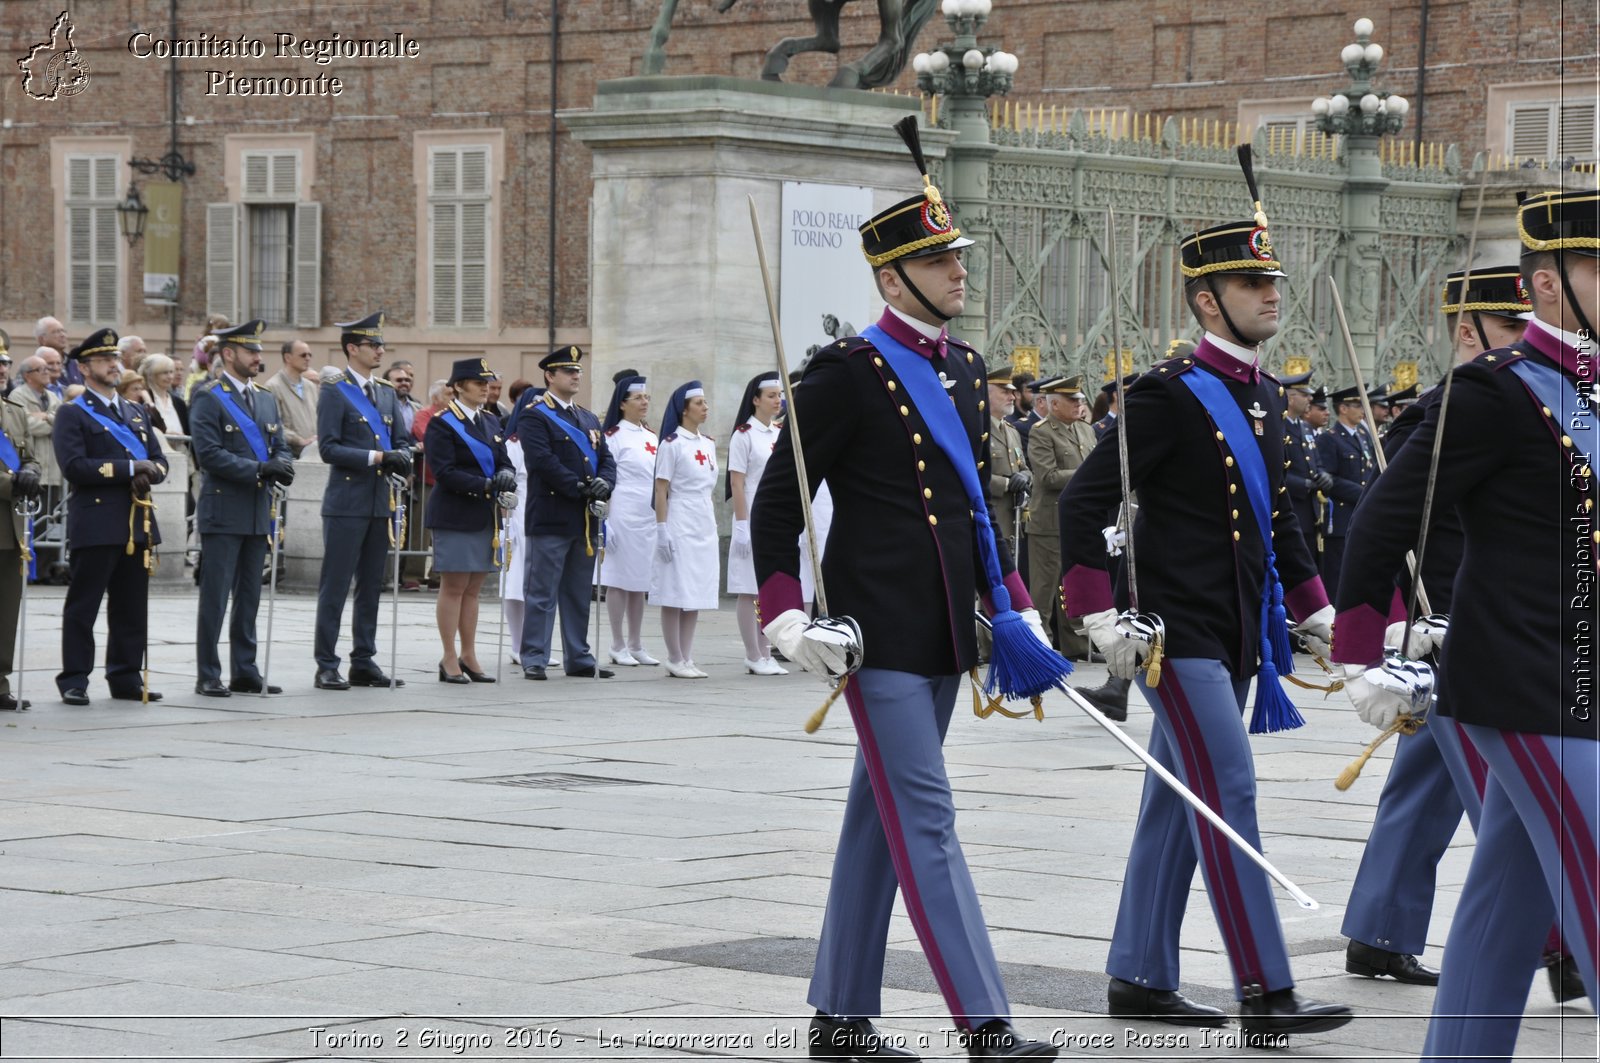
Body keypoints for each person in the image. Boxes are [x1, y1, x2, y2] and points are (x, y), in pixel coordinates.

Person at [751, 119, 1060, 1061]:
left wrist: (1013, 601)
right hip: (875, 633)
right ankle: (986, 1021)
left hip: (947, 634)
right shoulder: (847, 374)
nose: (959, 271)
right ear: (892, 278)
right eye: (939, 259)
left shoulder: (966, 369)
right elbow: (777, 500)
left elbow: (972, 504)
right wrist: (783, 614)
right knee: (926, 817)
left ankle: (840, 1016)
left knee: (877, 821)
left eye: (957, 254)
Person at [1058, 198, 1351, 1038]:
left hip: (1234, 636)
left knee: (1174, 801)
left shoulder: (1259, 391)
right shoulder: (1169, 393)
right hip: (1175, 636)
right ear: (1205, 299)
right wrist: (1097, 612)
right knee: (1227, 790)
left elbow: (1277, 520)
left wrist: (1317, 610)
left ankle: (1140, 973)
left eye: (1271, 279)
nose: (1269, 293)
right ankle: (1264, 988)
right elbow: (1086, 499)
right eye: (1249, 280)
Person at [1332, 189, 1599, 1061]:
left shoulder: (1590, 396)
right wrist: (1362, 652)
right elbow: (1383, 519)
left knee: (1503, 908)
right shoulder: (1492, 394)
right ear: (1548, 286)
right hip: (1521, 684)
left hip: (1578, 681)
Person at [1336, 265, 1554, 993]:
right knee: (1512, 798)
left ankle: (1379, 929)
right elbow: (1386, 531)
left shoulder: (1550, 406)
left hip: (1486, 633)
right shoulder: (1444, 409)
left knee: (1429, 788)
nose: (1531, 341)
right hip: (1446, 634)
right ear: (1470, 331)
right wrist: (1394, 635)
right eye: (1514, 329)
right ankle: (1559, 943)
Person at [53, 328, 168, 705]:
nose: (115, 366)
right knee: (84, 606)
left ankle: (125, 677)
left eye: (116, 359)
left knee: (132, 606)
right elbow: (75, 467)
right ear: (85, 369)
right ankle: (74, 679)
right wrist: (130, 468)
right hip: (98, 521)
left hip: (138, 520)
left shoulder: (136, 411)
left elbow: (160, 459)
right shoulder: (72, 413)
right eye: (105, 360)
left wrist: (152, 472)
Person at [188, 321, 294, 698]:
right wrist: (259, 469)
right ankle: (208, 672)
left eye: (259, 351)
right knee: (215, 597)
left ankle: (245, 669)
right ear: (229, 354)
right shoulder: (209, 396)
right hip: (224, 509)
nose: (258, 358)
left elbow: (278, 441)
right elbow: (210, 454)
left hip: (256, 509)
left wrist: (281, 463)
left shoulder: (264, 398)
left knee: (249, 595)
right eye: (251, 351)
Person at [312, 312, 415, 690]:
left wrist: (402, 456)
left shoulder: (386, 392)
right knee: (336, 585)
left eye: (381, 345)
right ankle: (326, 663)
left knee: (372, 584)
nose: (380, 351)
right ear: (352, 348)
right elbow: (329, 448)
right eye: (373, 345)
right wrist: (377, 458)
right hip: (347, 500)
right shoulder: (335, 390)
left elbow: (400, 439)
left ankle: (363, 659)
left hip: (379, 501)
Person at [517, 346, 616, 681]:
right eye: (568, 371)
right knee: (542, 592)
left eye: (578, 372)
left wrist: (604, 483)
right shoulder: (535, 415)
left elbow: (607, 459)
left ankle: (578, 656)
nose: (576, 376)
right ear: (550, 376)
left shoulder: (587, 418)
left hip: (584, 518)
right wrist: (578, 486)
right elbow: (542, 461)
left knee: (577, 593)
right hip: (551, 515)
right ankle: (534, 656)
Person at [425, 358, 515, 684]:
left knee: (474, 589)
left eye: (486, 382)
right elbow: (444, 471)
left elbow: (504, 460)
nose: (484, 387)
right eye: (478, 382)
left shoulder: (490, 421)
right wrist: (485, 485)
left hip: (484, 514)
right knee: (454, 587)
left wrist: (504, 476)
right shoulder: (443, 422)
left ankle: (469, 653)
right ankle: (449, 655)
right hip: (455, 512)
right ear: (459, 386)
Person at [651, 381, 720, 679]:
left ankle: (687, 656)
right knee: (675, 590)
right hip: (680, 517)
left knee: (696, 591)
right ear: (684, 409)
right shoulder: (671, 444)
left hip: (704, 518)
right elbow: (661, 488)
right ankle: (674, 656)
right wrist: (662, 528)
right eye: (699, 403)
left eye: (705, 403)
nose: (705, 408)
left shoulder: (708, 444)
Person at [1026, 375, 1096, 658]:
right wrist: (1088, 474)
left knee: (1073, 585)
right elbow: (1048, 476)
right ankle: (1039, 647)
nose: (1079, 404)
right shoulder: (1042, 432)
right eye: (1073, 400)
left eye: (1080, 400)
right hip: (1049, 522)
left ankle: (1076, 646)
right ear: (1055, 405)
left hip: (1078, 521)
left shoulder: (1085, 430)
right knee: (1044, 590)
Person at [725, 372, 786, 675]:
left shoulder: (778, 433)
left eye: (779, 395)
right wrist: (740, 524)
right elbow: (737, 483)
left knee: (768, 587)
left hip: (773, 519)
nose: (778, 400)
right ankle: (752, 653)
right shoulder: (743, 435)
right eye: (772, 396)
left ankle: (766, 650)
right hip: (750, 514)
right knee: (748, 588)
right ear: (756, 400)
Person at [599, 374, 661, 667]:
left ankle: (636, 643)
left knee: (640, 581)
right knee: (619, 581)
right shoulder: (613, 436)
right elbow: (607, 479)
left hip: (647, 514)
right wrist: (605, 521)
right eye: (638, 398)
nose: (644, 401)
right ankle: (617, 643)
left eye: (646, 397)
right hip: (622, 511)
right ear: (622, 404)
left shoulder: (652, 437)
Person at [0, 388, 44, 710]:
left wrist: (30, 473)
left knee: (5, 611)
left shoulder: (13, 411)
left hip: (9, 525)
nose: (2, 370)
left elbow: (30, 457)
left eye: (4, 364)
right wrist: (11, 483)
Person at [1315, 385, 1377, 599]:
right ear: (1343, 408)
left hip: (1363, 515)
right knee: (1338, 577)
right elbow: (1329, 479)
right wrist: (1364, 492)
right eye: (1357, 405)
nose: (1362, 410)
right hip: (1342, 518)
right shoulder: (1330, 438)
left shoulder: (1363, 436)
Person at [1280, 370, 1330, 571]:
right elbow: (1275, 468)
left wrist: (1323, 475)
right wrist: (1301, 484)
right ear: (1290, 398)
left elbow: (1315, 461)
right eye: (1304, 394)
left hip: (1311, 511)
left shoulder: (1306, 428)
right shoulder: (1279, 426)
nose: (1310, 398)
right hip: (1291, 505)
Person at [984, 368, 1028, 562]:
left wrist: (1025, 478)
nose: (1012, 397)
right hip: (990, 517)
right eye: (1005, 392)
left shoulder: (1011, 430)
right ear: (986, 393)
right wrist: (1007, 484)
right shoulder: (978, 429)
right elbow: (971, 474)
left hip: (1012, 521)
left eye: (1012, 392)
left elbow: (1024, 468)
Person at [266, 340, 318, 458]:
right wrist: (299, 440)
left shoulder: (310, 386)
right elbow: (272, 425)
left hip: (313, 454)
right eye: (303, 355)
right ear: (288, 357)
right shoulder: (273, 386)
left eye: (310, 355)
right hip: (290, 456)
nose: (308, 358)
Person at [138, 354, 188, 442]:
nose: (170, 377)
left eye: (171, 372)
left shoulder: (179, 403)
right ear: (151, 375)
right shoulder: (142, 398)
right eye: (164, 373)